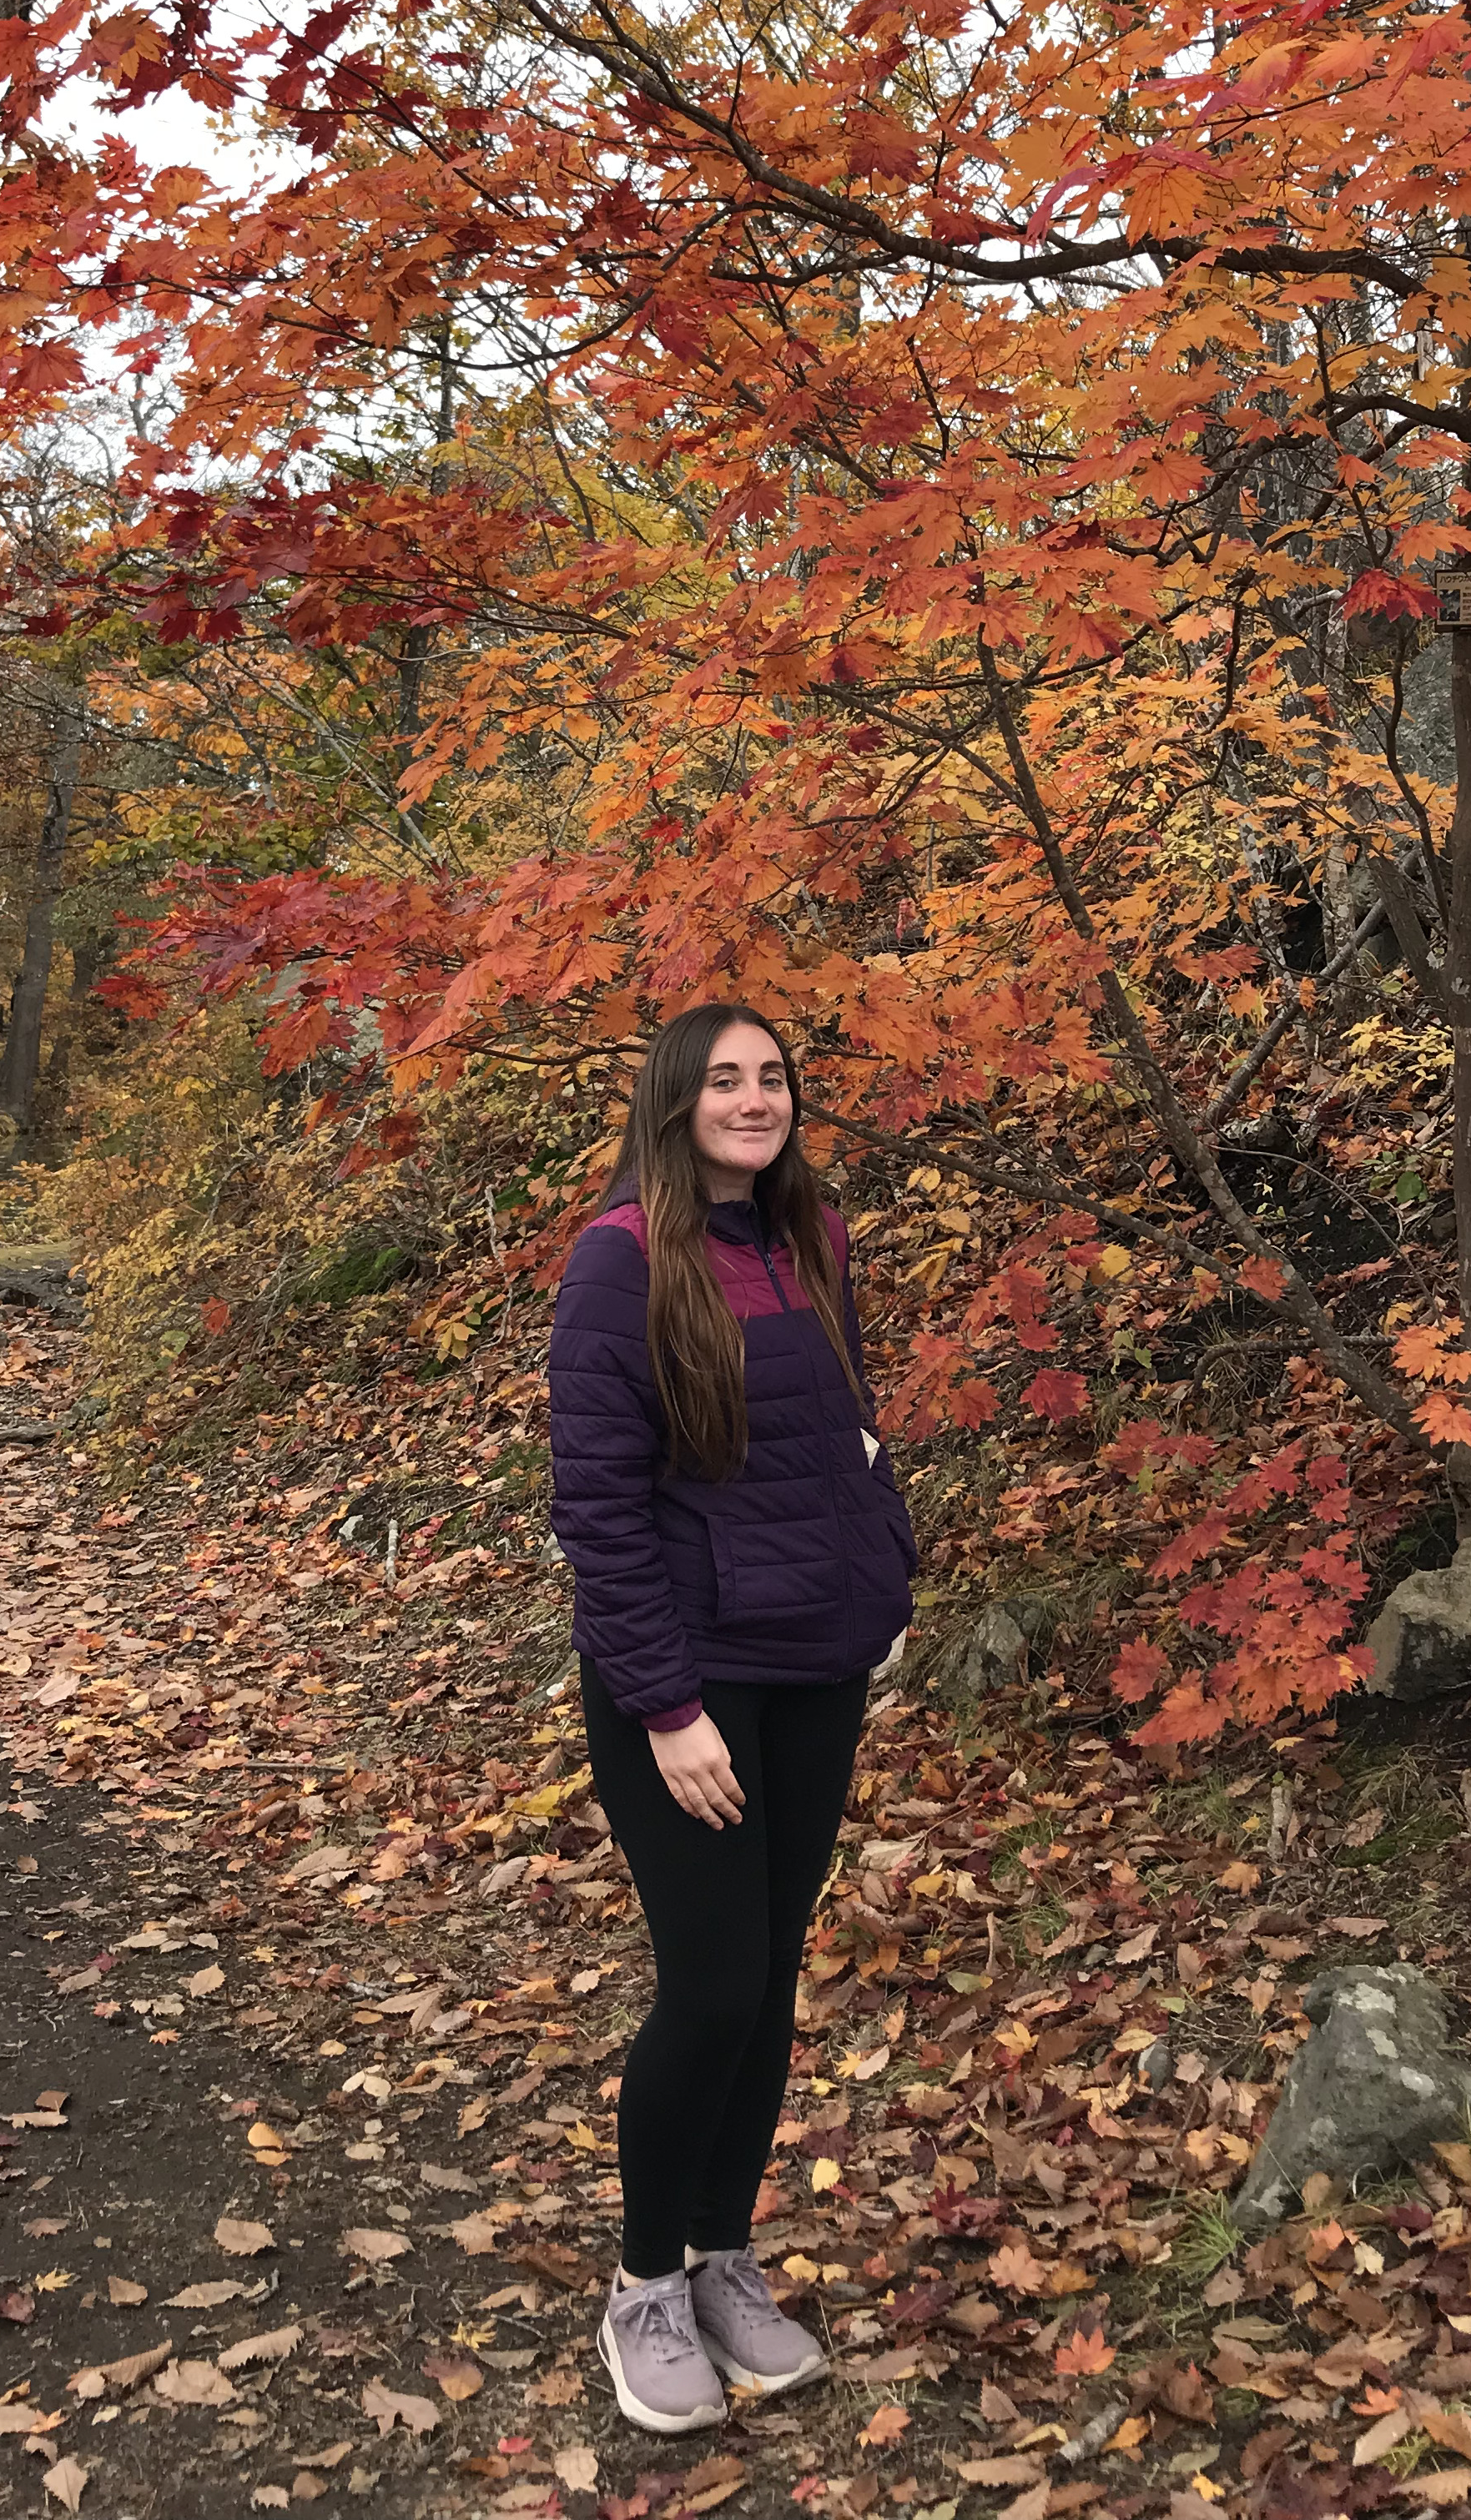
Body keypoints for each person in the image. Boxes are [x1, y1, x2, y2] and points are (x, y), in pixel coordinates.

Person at [548, 1003, 919, 2435]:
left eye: (772, 1079)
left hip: (816, 1663)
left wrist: (877, 1573)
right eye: (725, 1080)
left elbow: (848, 1425)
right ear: (676, 1100)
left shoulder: (812, 1236)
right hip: (692, 1687)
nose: (754, 1100)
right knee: (708, 1984)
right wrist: (666, 1707)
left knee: (769, 1981)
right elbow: (601, 1513)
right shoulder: (622, 1263)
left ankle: (721, 2256)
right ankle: (644, 2283)